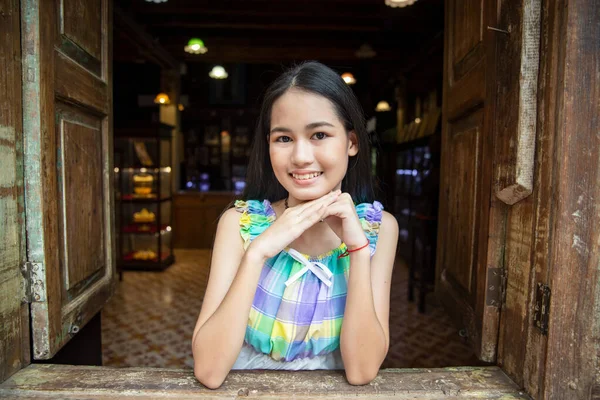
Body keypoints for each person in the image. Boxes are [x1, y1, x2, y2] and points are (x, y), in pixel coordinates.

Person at [191, 61, 399, 389]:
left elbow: (361, 371)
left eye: (319, 135)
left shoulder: (379, 229)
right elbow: (209, 372)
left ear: (352, 142)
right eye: (284, 138)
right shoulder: (239, 224)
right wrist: (258, 252)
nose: (300, 156)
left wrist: (358, 251)